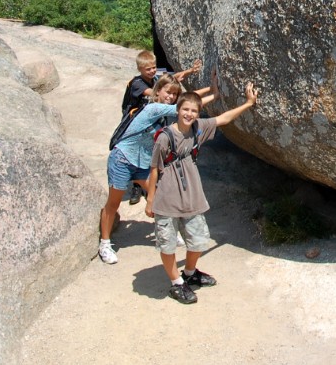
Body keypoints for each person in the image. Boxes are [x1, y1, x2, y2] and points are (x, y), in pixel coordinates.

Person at [145, 82, 259, 304]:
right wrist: (150, 200)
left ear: (198, 113)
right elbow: (153, 169)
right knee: (167, 244)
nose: (189, 114)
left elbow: (224, 119)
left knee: (197, 240)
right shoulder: (165, 137)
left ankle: (189, 273)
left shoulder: (199, 128)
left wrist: (248, 103)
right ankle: (176, 283)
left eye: (194, 110)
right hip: (167, 198)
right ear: (177, 110)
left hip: (192, 196)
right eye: (185, 109)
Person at [98, 75, 216, 264]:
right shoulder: (153, 108)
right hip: (122, 159)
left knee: (160, 195)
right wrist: (214, 93)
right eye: (168, 92)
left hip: (142, 163)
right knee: (114, 202)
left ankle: (168, 232)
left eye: (175, 94)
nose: (171, 96)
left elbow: (186, 102)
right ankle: (105, 243)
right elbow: (187, 105)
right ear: (157, 91)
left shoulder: (165, 116)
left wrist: (210, 91)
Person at [120, 52, 201, 205]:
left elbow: (169, 81)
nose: (151, 71)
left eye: (153, 68)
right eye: (147, 69)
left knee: (151, 151)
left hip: (153, 122)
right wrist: (171, 94)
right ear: (139, 69)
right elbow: (155, 93)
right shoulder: (138, 83)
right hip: (136, 122)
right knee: (139, 154)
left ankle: (150, 182)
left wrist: (190, 71)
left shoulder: (154, 79)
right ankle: (137, 187)